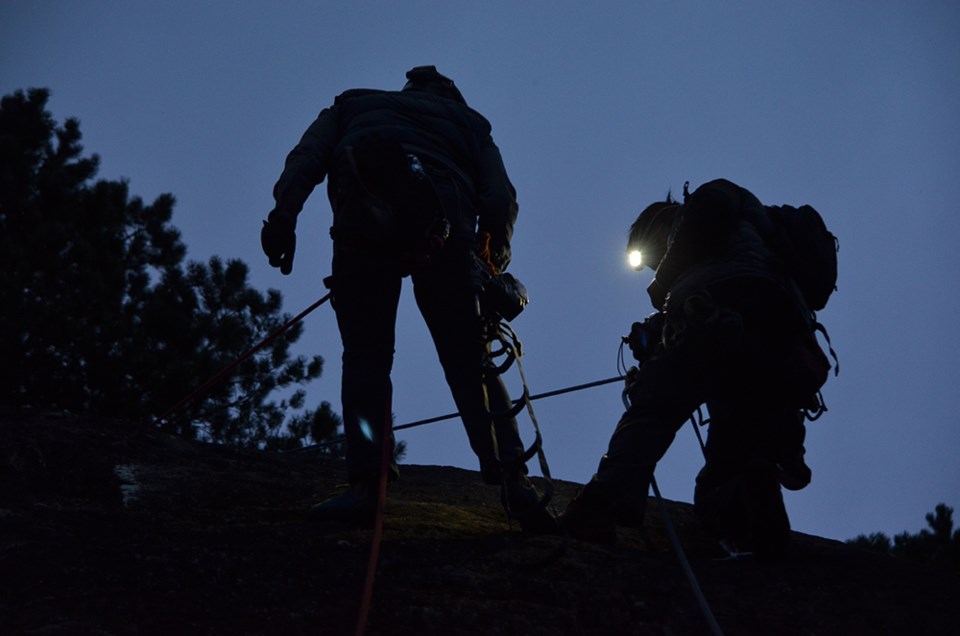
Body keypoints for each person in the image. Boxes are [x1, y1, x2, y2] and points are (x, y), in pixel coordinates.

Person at [260, 65, 554, 532]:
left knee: (365, 359)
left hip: (362, 219)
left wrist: (283, 216)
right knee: (468, 359)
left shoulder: (352, 102)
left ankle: (365, 489)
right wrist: (490, 261)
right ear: (450, 96)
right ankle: (515, 485)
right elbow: (499, 197)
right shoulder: (470, 123)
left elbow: (307, 156)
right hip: (446, 224)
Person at [560, 178, 827, 559]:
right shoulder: (757, 236)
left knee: (654, 407)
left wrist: (662, 285)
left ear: (658, 228)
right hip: (781, 332)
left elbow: (696, 285)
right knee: (730, 462)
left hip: (722, 312)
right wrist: (655, 329)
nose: (654, 267)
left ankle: (601, 507)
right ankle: (754, 510)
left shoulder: (709, 199)